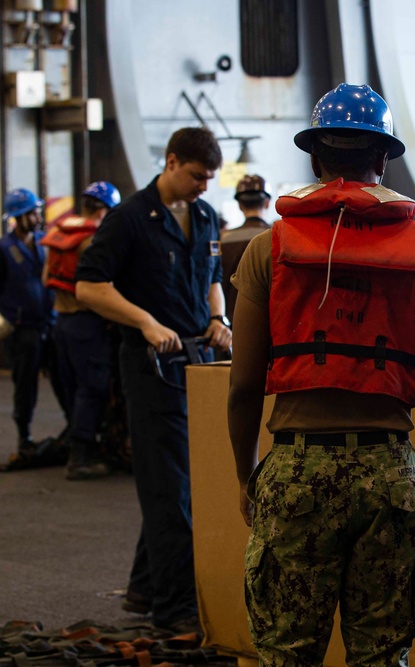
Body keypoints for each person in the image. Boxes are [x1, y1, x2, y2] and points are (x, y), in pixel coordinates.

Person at [228, 83, 415, 666]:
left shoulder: (268, 248)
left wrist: (245, 475)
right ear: (383, 159)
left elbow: (243, 386)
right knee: (383, 656)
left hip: (295, 469)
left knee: (287, 654)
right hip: (390, 473)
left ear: (315, 158)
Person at [75, 127, 231, 633]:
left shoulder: (206, 217)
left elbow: (211, 280)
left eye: (209, 178)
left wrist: (218, 320)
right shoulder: (128, 220)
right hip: (149, 368)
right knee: (171, 492)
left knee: (182, 484)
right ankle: (176, 610)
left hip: (198, 363)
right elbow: (88, 287)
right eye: (196, 176)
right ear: (170, 162)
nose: (203, 186)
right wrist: (144, 320)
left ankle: (145, 586)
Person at [41, 181, 121, 480]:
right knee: (94, 387)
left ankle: (77, 442)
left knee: (73, 387)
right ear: (103, 210)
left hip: (60, 321)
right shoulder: (94, 239)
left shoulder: (61, 234)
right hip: (87, 323)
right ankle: (81, 456)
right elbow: (103, 284)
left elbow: (46, 277)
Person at [0, 188, 60, 457]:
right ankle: (24, 437)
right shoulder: (3, 250)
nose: (37, 217)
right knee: (26, 385)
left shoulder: (45, 242)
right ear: (18, 217)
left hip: (50, 323)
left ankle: (73, 432)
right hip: (22, 329)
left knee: (63, 378)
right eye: (32, 213)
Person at [221, 173, 271, 323]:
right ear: (267, 203)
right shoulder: (278, 236)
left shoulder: (223, 239)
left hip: (231, 323)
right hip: (270, 321)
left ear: (240, 205)